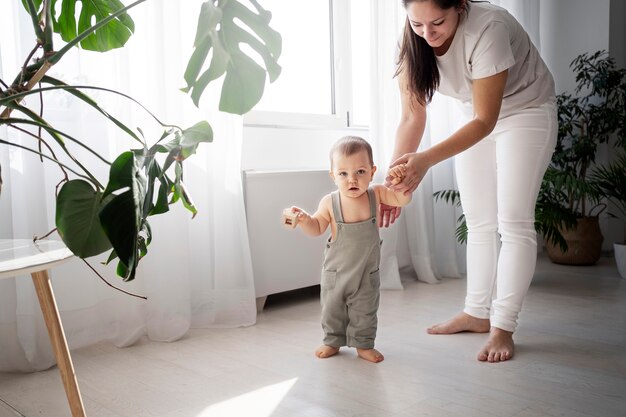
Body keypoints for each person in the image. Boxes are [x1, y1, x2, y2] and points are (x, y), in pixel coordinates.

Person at [382, 0, 557, 362]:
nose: (428, 35)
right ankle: (477, 314)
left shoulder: (487, 27)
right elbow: (412, 118)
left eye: (438, 23)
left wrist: (426, 160)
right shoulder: (413, 40)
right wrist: (393, 182)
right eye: (417, 24)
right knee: (478, 221)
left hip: (525, 112)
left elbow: (485, 120)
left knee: (514, 222)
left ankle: (503, 328)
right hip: (474, 117)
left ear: (460, 7)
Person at [284, 136, 411, 363]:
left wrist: (401, 183)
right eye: (343, 173)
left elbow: (402, 200)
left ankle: (363, 344)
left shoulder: (378, 194)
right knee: (333, 309)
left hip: (366, 272)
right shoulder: (329, 202)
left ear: (372, 172)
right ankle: (332, 340)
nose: (352, 179)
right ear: (333, 176)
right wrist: (303, 219)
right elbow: (316, 228)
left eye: (360, 172)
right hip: (336, 272)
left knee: (365, 310)